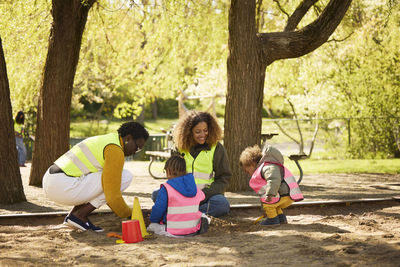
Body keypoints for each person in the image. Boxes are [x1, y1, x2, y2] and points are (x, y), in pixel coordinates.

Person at [42, 121, 149, 232]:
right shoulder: (115, 150)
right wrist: (132, 214)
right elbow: (112, 196)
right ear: (128, 138)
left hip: (53, 180)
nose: (135, 152)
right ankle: (79, 215)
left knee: (109, 179)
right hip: (62, 185)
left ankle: (75, 215)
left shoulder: (108, 140)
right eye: (137, 148)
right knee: (125, 176)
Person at [152, 111, 231, 217]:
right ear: (189, 132)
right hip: (182, 195)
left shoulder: (217, 148)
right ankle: (195, 214)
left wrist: (203, 194)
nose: (203, 135)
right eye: (198, 132)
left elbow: (224, 179)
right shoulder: (178, 148)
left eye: (205, 130)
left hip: (206, 196)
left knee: (222, 204)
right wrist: (182, 193)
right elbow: (172, 176)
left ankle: (184, 213)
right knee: (156, 195)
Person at [239, 144, 303, 226]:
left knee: (268, 205)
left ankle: (272, 220)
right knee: (275, 206)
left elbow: (274, 179)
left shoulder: (267, 167)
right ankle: (281, 218)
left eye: (247, 171)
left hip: (284, 194)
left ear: (252, 163)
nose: (248, 174)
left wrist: (270, 194)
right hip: (286, 194)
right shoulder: (267, 166)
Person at [148, 155, 209, 237]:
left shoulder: (167, 188)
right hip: (192, 229)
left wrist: (153, 220)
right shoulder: (194, 187)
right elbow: (202, 196)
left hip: (173, 230)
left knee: (153, 226)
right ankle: (201, 221)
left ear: (169, 171)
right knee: (198, 212)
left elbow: (158, 209)